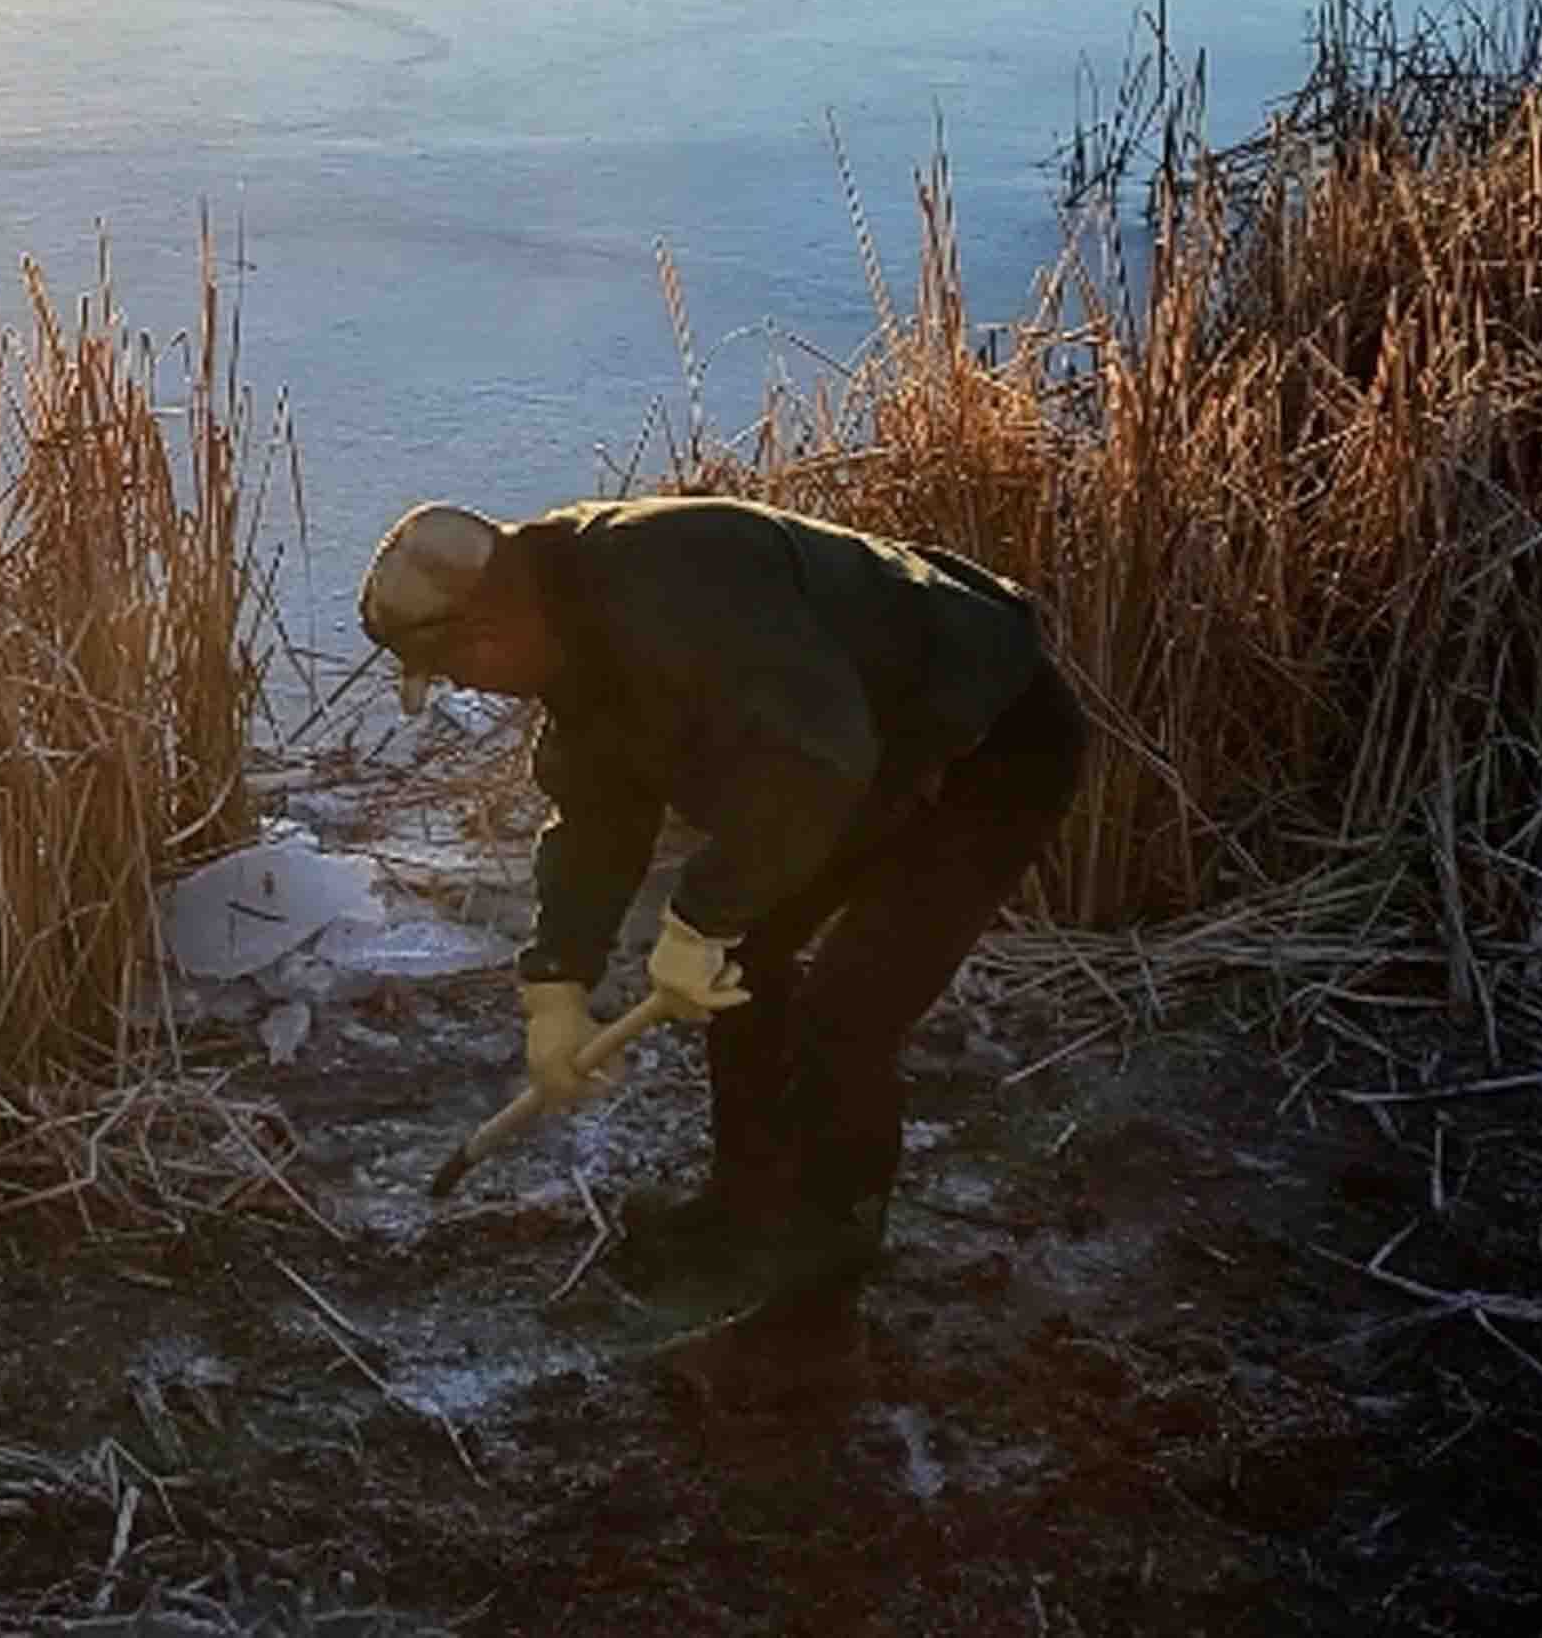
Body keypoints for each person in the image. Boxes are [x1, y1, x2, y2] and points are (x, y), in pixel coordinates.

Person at [357, 492, 1087, 1308]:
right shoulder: (565, 632)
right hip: (868, 759)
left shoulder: (669, 580)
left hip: (986, 743)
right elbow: (599, 816)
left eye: (458, 671)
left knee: (847, 1013)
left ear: (488, 633)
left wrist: (701, 917)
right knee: (741, 967)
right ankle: (746, 1208)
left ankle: (826, 1255)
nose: (472, 689)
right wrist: (557, 984)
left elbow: (815, 759)